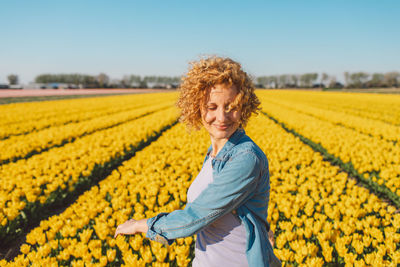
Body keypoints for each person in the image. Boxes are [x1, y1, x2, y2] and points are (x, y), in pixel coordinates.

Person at [114, 56, 281, 266]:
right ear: (197, 107)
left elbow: (197, 216)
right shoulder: (214, 153)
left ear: (244, 106)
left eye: (231, 107)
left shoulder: (246, 158)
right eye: (212, 107)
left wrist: (142, 225)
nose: (221, 117)